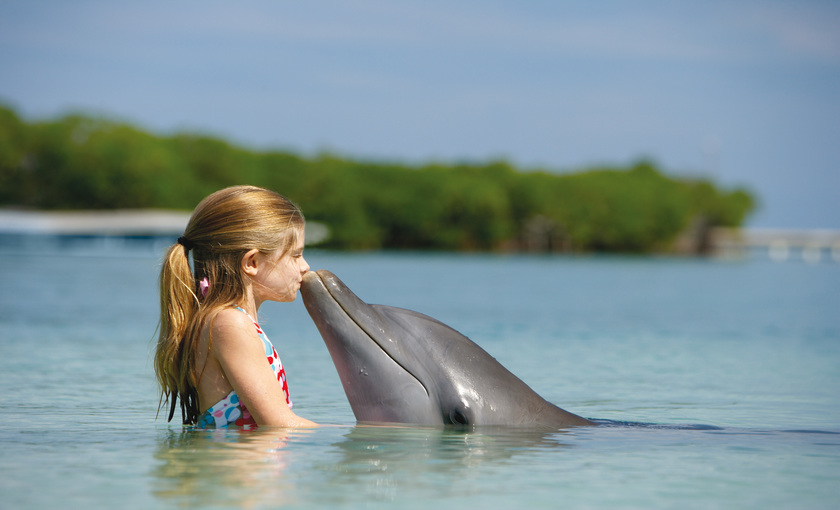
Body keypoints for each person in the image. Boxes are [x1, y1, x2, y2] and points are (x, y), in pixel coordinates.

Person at [154, 185, 317, 428]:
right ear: (252, 262)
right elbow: (279, 425)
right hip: (236, 466)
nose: (305, 266)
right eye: (295, 255)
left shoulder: (223, 320)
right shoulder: (230, 323)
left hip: (242, 464)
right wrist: (365, 437)